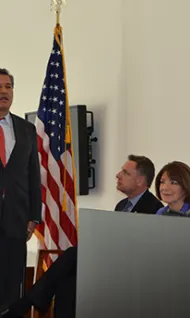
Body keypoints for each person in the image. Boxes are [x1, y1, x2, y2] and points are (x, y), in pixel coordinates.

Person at [0, 154, 162, 318]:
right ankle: (28, 302)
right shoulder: (122, 205)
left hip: (129, 273)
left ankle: (25, 303)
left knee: (72, 253)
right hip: (109, 265)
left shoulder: (154, 208)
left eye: (125, 173)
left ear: (140, 181)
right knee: (66, 284)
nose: (118, 175)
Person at [0, 68, 42, 307]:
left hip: (16, 221)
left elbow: (33, 176)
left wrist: (34, 216)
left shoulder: (26, 129)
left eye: (8, 86)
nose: (4, 92)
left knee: (12, 292)